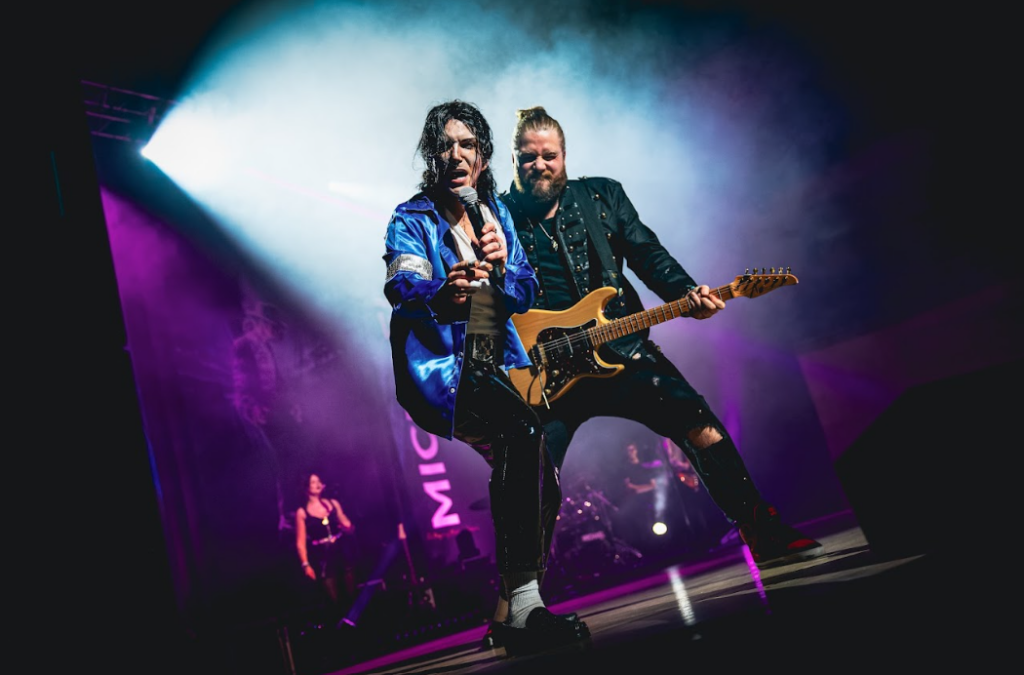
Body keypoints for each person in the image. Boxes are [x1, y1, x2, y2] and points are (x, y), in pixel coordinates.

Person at [496, 106, 825, 574]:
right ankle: (521, 592)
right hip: (542, 373)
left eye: (549, 155)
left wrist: (686, 292)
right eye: (528, 157)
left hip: (622, 350)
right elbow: (482, 299)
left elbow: (648, 254)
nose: (540, 165)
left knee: (700, 425)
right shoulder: (494, 217)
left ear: (565, 155)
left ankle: (761, 531)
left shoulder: (601, 196)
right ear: (513, 159)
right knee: (530, 476)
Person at [382, 100, 589, 656]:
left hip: (490, 360)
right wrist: (441, 292)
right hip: (441, 368)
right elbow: (402, 286)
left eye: (468, 144)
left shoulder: (493, 212)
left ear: (483, 156)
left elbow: (524, 289)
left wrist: (499, 268)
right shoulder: (412, 218)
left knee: (542, 477)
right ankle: (525, 608)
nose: (456, 155)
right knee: (522, 431)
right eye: (445, 145)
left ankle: (510, 612)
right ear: (432, 156)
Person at [294, 472, 357, 626]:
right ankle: (340, 628)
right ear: (306, 487)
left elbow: (347, 523)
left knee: (351, 594)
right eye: (313, 482)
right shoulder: (302, 512)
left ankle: (356, 624)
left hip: (341, 551)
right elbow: (300, 542)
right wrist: (305, 564)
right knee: (333, 600)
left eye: (319, 481)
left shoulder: (332, 503)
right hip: (323, 557)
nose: (317, 484)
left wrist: (348, 527)